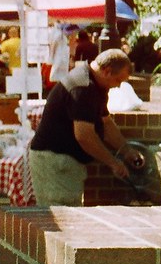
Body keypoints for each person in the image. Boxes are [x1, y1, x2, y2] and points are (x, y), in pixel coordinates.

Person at [28, 49, 145, 206]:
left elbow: (106, 123)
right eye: (118, 80)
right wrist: (113, 163)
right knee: (63, 216)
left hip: (64, 161)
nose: (118, 86)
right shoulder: (83, 87)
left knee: (70, 213)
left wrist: (126, 150)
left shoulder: (96, 84)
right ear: (107, 71)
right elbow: (84, 136)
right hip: (56, 162)